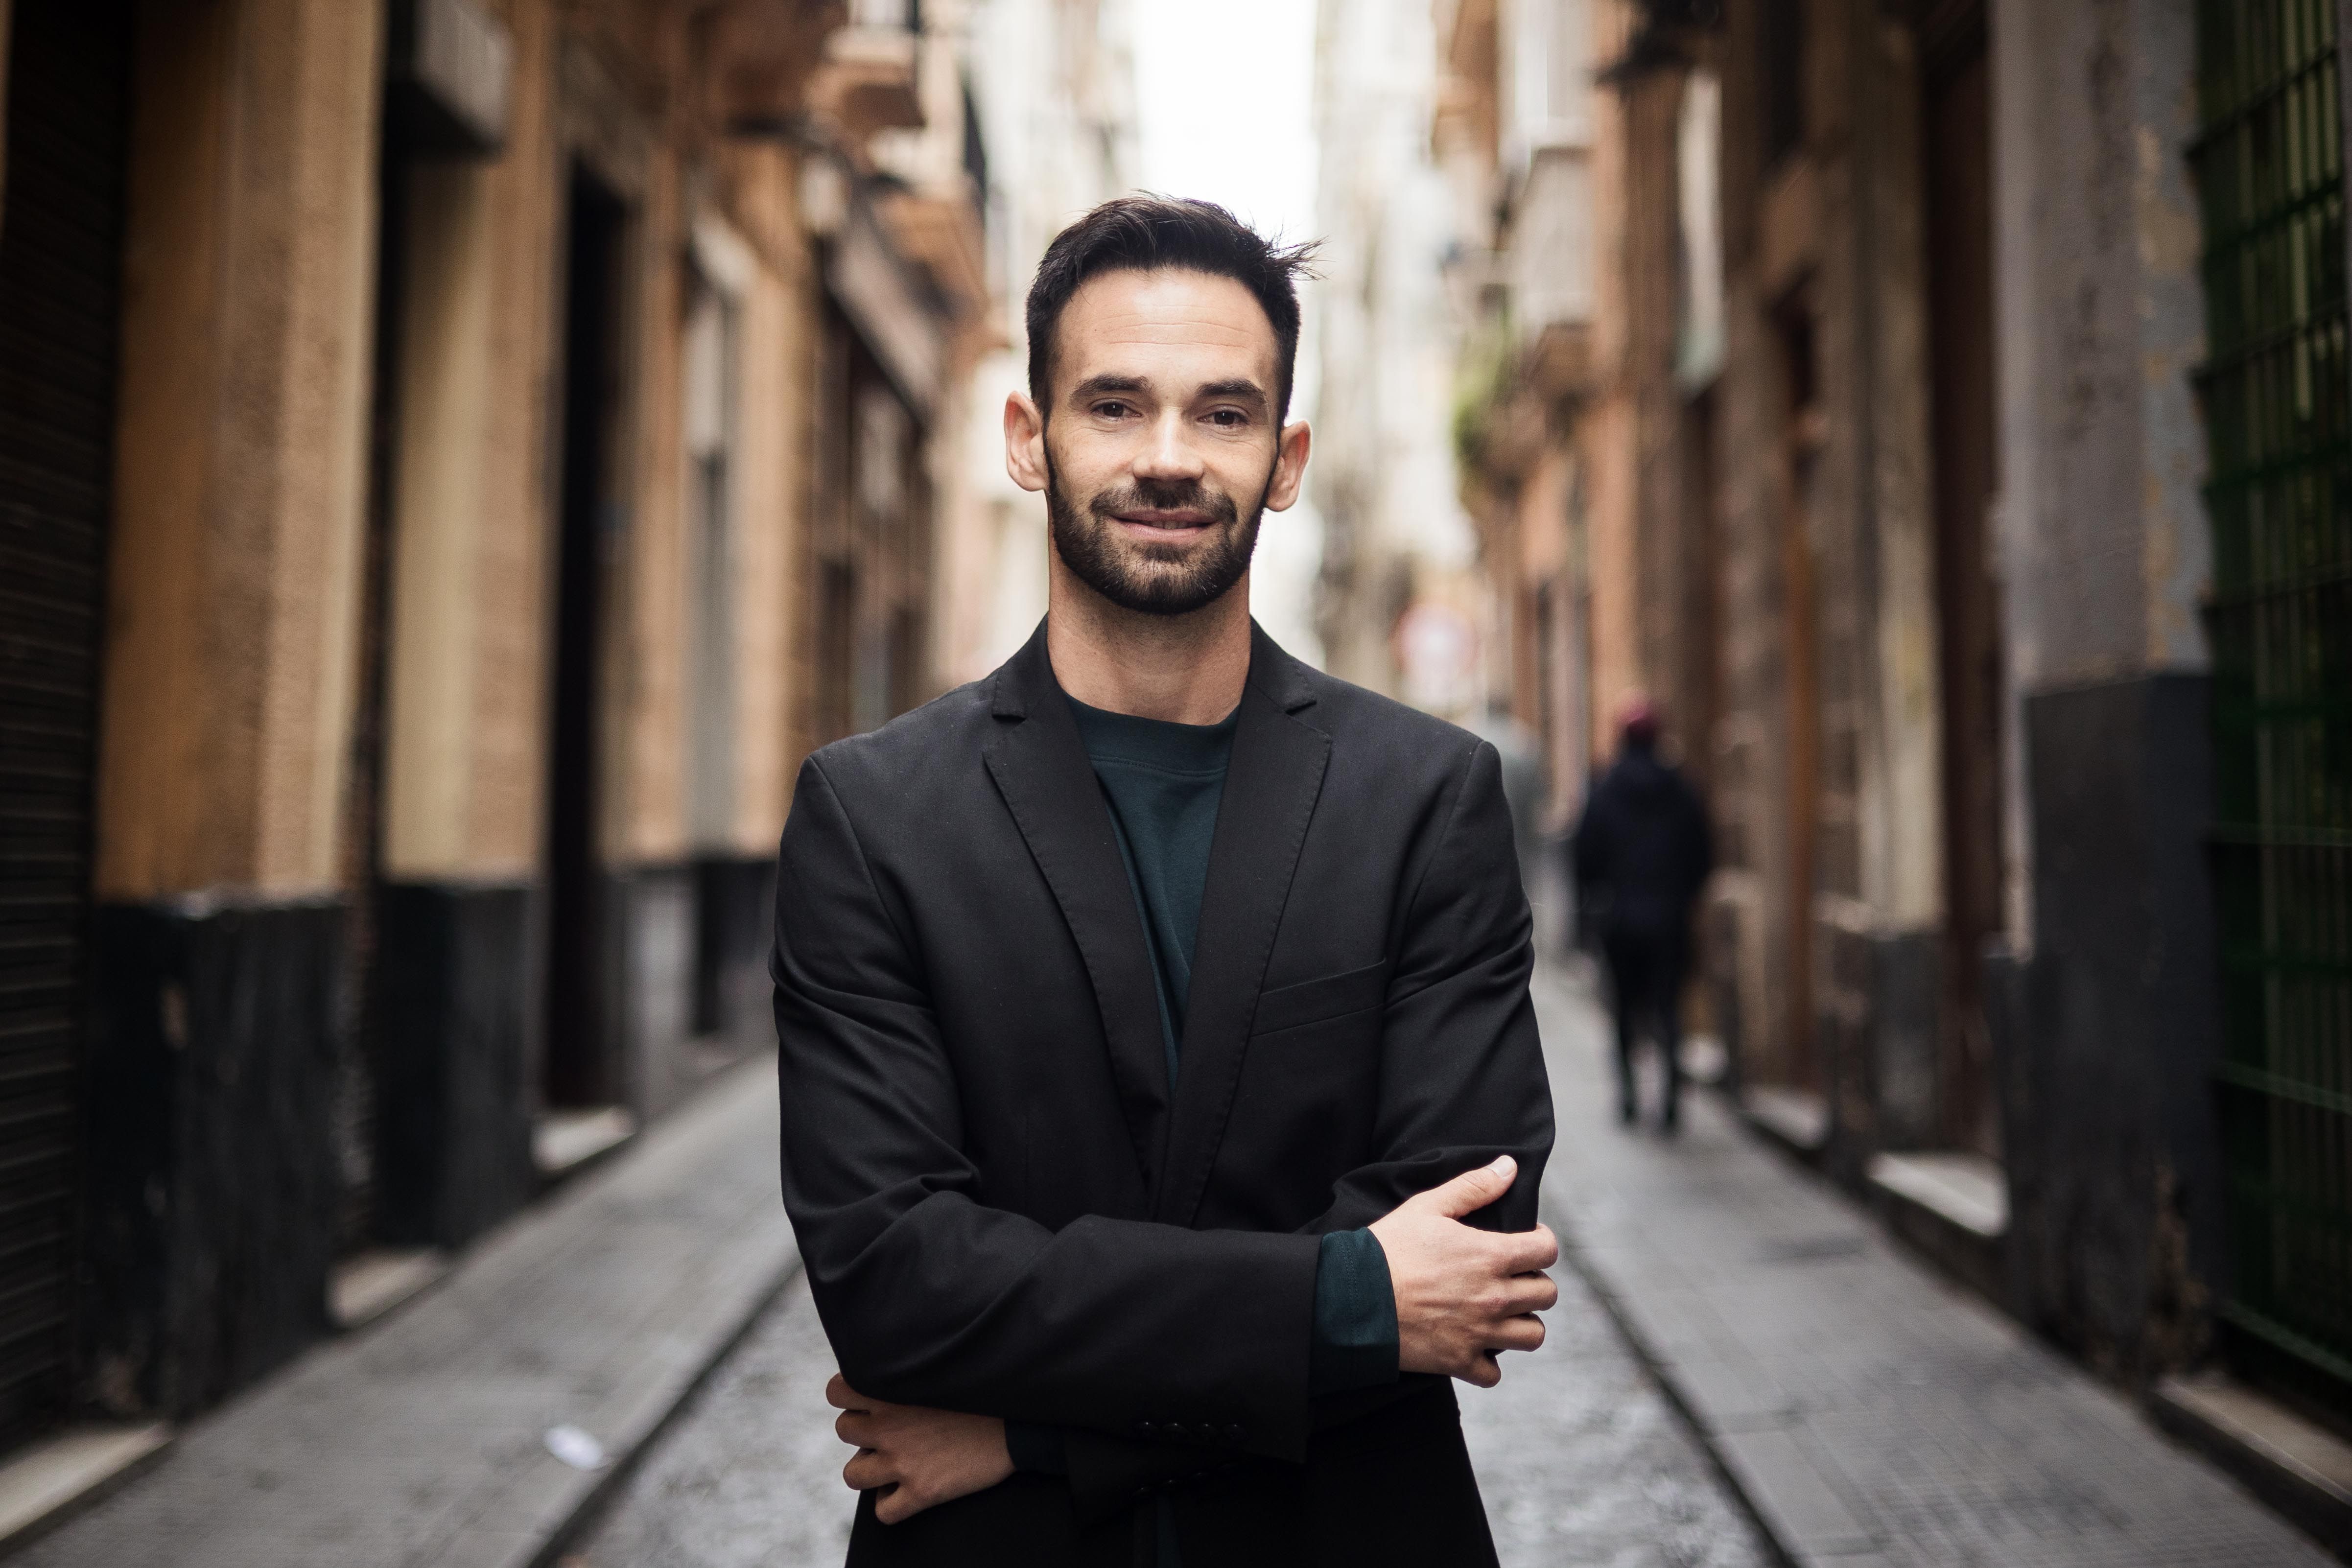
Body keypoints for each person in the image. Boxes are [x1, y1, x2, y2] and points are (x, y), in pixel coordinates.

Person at [772, 196, 1557, 1567]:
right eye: (1115, 405)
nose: (1167, 458)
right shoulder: (872, 817)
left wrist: (1041, 1435)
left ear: (1286, 457)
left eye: (1222, 413)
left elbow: (1470, 1250)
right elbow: (894, 1286)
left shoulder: (1425, 800)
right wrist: (1351, 1291)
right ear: (1031, 438)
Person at [1570, 700, 1713, 1133]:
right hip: (1668, 918)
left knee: (1623, 1010)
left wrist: (1593, 903)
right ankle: (1670, 1101)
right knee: (1668, 1008)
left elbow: (1584, 855)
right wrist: (1682, 897)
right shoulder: (1682, 790)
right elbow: (1703, 855)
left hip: (1619, 919)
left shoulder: (1605, 789)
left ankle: (1630, 1096)